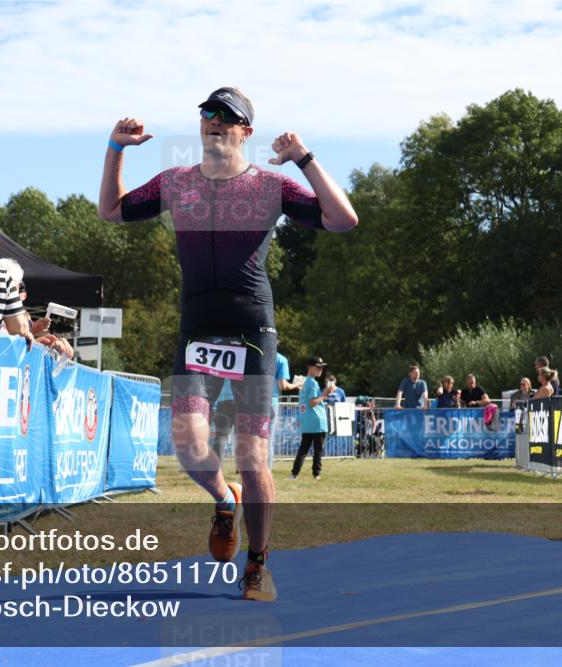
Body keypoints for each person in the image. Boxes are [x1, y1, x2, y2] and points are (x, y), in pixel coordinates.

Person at [97, 86, 358, 601]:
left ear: (245, 130)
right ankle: (224, 498)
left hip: (252, 334)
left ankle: (257, 564)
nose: (213, 121)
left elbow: (343, 219)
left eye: (226, 115)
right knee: (190, 446)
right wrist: (115, 148)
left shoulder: (270, 186)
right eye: (207, 114)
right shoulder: (176, 183)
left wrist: (303, 159)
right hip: (197, 330)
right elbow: (110, 211)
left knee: (252, 457)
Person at [0, 257, 72, 357]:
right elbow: (7, 352)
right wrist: (36, 343)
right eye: (17, 287)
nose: (16, 292)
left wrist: (34, 336)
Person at [290, 357, 333, 481]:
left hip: (308, 421)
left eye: (321, 367)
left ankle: (294, 474)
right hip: (317, 421)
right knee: (317, 450)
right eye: (318, 366)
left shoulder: (304, 381)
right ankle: (316, 474)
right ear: (310, 367)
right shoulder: (313, 383)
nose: (321, 369)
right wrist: (326, 393)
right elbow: (313, 402)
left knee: (303, 449)